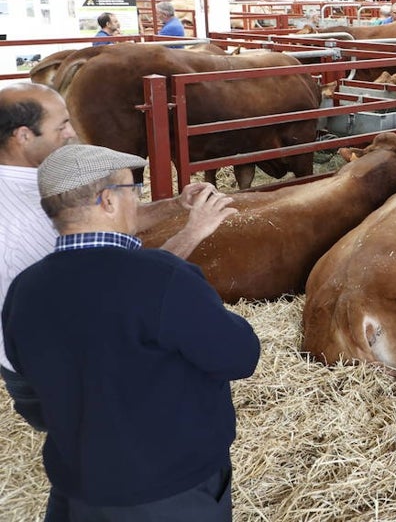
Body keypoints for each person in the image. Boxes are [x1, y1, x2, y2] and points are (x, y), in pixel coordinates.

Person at [0, 84, 237, 521]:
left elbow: (90, 233)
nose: (72, 132)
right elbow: (236, 355)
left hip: (80, 472)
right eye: (63, 124)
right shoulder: (155, 278)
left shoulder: (41, 215)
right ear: (21, 135)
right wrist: (192, 235)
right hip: (169, 486)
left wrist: (172, 208)